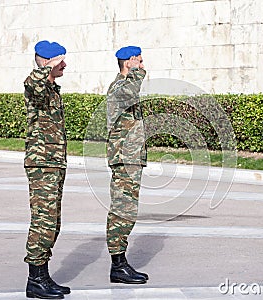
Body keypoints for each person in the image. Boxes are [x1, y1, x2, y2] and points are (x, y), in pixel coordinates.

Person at [23, 40, 70, 299]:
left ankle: (43, 275)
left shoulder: (52, 89)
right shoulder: (35, 86)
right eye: (60, 60)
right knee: (43, 221)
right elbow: (33, 81)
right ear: (47, 62)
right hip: (41, 165)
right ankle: (35, 280)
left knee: (52, 222)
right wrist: (46, 65)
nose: (65, 65)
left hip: (53, 164)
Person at [106, 46, 149, 284]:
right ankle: (118, 265)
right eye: (139, 62)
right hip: (124, 159)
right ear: (129, 63)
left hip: (130, 159)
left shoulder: (125, 86)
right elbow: (133, 88)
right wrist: (135, 72)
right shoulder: (121, 87)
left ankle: (120, 263)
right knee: (122, 211)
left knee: (127, 212)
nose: (143, 66)